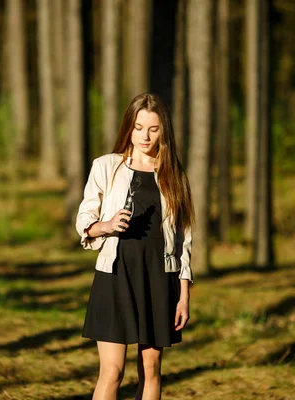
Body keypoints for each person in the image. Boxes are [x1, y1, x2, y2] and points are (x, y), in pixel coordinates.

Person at [76, 93, 195, 400]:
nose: (145, 136)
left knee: (152, 367)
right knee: (113, 371)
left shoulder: (173, 175)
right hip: (115, 275)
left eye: (153, 129)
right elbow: (85, 219)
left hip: (158, 278)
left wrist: (183, 295)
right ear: (129, 127)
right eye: (139, 127)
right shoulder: (106, 167)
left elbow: (184, 240)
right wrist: (107, 226)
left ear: (163, 130)